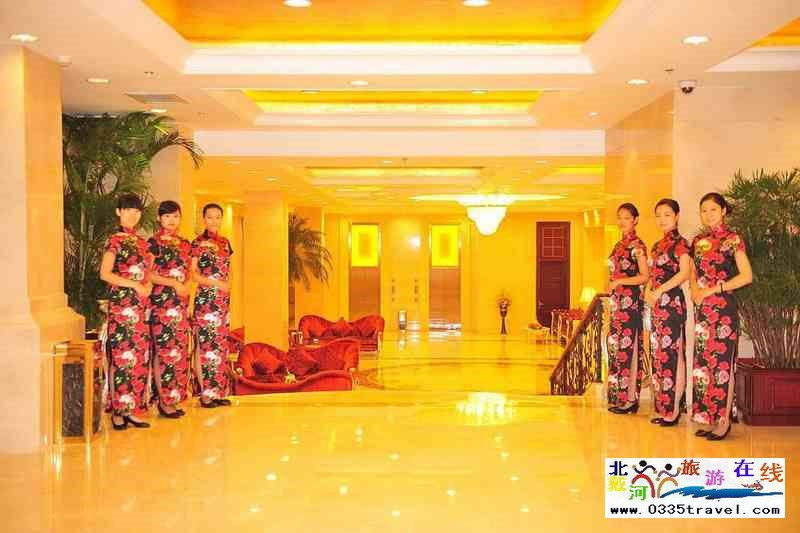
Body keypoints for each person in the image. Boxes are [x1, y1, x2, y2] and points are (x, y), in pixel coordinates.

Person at [690, 192, 752, 441]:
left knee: (722, 366)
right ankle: (708, 417)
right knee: (703, 365)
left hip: (724, 311)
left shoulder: (732, 239)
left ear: (724, 211)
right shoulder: (698, 241)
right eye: (704, 210)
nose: (708, 215)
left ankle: (723, 421)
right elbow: (693, 272)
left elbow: (746, 276)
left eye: (713, 209)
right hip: (703, 311)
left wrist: (714, 289)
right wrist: (695, 291)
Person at [99, 194, 153, 430]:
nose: (133, 214)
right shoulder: (114, 240)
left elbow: (147, 273)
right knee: (121, 359)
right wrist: (134, 285)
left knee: (138, 358)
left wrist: (147, 286)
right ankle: (118, 411)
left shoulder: (142, 243)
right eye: (129, 210)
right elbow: (105, 273)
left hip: (140, 308)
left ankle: (132, 410)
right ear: (118, 212)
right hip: (122, 307)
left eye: (137, 211)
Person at [644, 199, 691, 427]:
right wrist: (648, 292)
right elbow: (652, 275)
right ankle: (663, 407)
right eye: (658, 215)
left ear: (677, 216)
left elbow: (684, 273)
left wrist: (660, 290)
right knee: (658, 357)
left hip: (672, 305)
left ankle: (673, 410)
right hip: (656, 306)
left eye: (667, 214)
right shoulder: (656, 246)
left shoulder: (682, 244)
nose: (662, 219)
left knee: (673, 356)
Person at [148, 201, 192, 418]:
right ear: (159, 218)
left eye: (175, 216)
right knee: (163, 352)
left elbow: (189, 273)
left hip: (180, 305)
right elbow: (148, 274)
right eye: (167, 216)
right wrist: (173, 283)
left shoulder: (185, 244)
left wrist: (186, 288)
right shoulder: (153, 243)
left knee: (178, 353)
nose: (171, 220)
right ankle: (163, 401)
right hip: (161, 304)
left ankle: (174, 398)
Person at [607, 203, 650, 414]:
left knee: (629, 349)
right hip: (617, 305)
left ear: (635, 220)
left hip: (630, 304)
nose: (622, 221)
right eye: (619, 217)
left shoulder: (637, 245)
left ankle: (630, 399)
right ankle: (619, 396)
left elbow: (645, 276)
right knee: (617, 350)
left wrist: (619, 281)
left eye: (626, 217)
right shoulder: (618, 245)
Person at [191, 203, 234, 408]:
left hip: (222, 302)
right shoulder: (197, 243)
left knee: (220, 347)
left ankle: (218, 392)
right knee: (205, 347)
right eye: (210, 217)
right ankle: (205, 394)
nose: (214, 221)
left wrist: (227, 287)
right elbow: (193, 274)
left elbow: (229, 271)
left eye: (218, 217)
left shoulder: (225, 243)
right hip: (205, 301)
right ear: (204, 219)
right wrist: (215, 283)